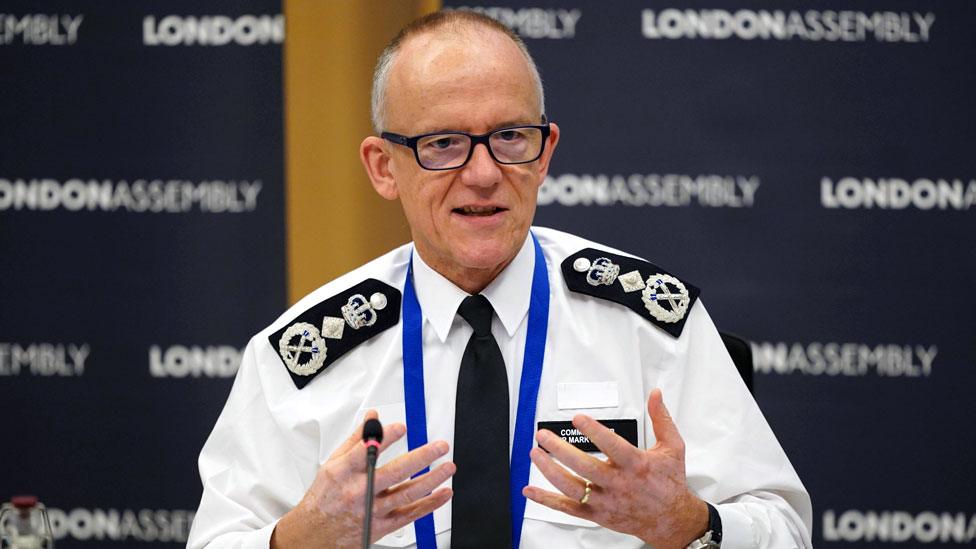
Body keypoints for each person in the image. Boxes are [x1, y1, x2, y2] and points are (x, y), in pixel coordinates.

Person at [187, 10, 812, 549]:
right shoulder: (305, 355)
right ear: (383, 167)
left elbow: (784, 526)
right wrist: (299, 537)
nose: (484, 174)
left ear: (545, 153)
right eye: (443, 143)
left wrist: (685, 523)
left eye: (511, 137)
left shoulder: (649, 324)